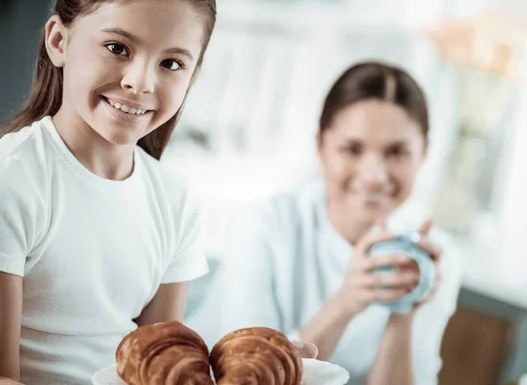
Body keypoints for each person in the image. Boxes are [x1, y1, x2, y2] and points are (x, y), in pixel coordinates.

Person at [0, 0, 219, 383]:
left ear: (194, 74)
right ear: (59, 41)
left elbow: (158, 367)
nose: (141, 82)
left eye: (171, 63)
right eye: (118, 48)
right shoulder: (5, 183)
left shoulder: (175, 201)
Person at [187, 61, 462, 385]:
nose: (374, 175)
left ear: (424, 153)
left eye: (397, 152)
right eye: (351, 149)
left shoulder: (435, 256)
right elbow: (248, 376)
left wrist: (404, 311)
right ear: (321, 146)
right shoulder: (267, 225)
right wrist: (346, 302)